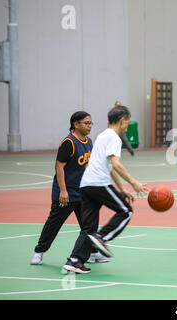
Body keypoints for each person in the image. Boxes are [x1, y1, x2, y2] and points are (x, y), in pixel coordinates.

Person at [62, 105, 149, 274]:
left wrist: (122, 188)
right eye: (127, 122)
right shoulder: (114, 138)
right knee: (126, 211)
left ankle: (75, 261)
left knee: (88, 229)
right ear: (122, 120)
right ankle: (102, 239)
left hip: (86, 185)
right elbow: (116, 165)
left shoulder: (103, 135)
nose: (127, 125)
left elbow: (108, 166)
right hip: (98, 184)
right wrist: (133, 183)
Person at [30, 111, 108, 264]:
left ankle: (92, 252)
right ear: (76, 124)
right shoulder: (69, 143)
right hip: (66, 192)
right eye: (86, 123)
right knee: (54, 224)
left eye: (91, 123)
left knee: (89, 226)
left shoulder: (89, 141)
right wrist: (63, 190)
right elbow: (59, 167)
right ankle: (39, 252)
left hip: (83, 193)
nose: (89, 126)